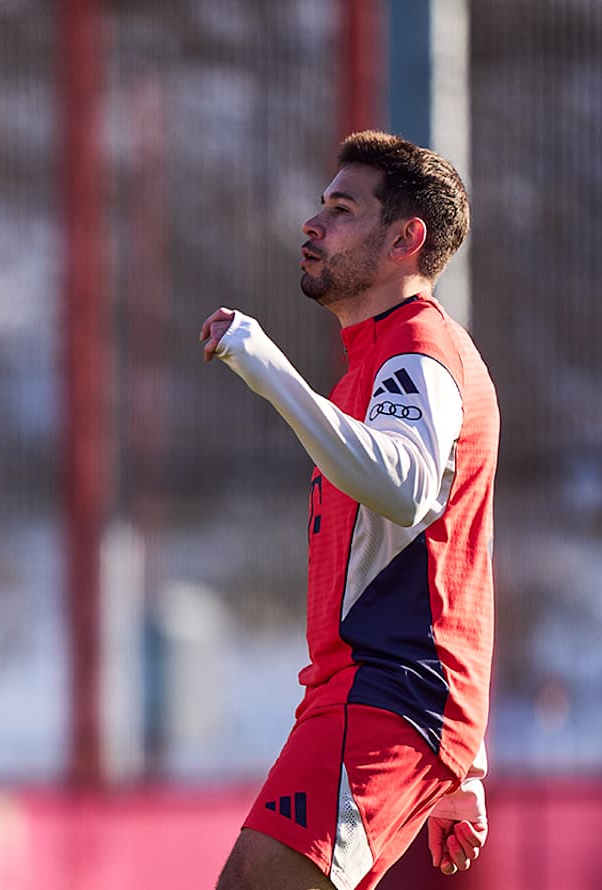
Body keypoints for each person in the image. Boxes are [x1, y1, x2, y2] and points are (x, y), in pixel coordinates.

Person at [202, 131, 496, 890]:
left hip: (388, 694)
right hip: (374, 695)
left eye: (341, 209)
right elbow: (455, 560)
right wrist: (468, 765)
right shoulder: (382, 359)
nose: (313, 223)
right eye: (321, 205)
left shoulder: (415, 350)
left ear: (406, 238)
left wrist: (263, 363)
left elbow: (403, 485)